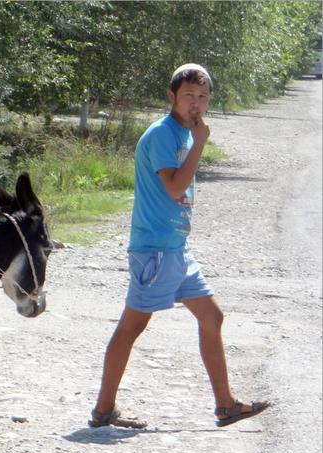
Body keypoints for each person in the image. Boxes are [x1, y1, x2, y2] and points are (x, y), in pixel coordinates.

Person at [89, 63, 271, 429]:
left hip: (175, 248)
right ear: (172, 97)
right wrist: (201, 142)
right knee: (131, 327)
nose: (196, 103)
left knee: (212, 316)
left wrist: (196, 141)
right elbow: (173, 187)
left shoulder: (185, 134)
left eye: (203, 96)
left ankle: (225, 405)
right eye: (189, 95)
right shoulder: (164, 134)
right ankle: (103, 410)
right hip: (154, 249)